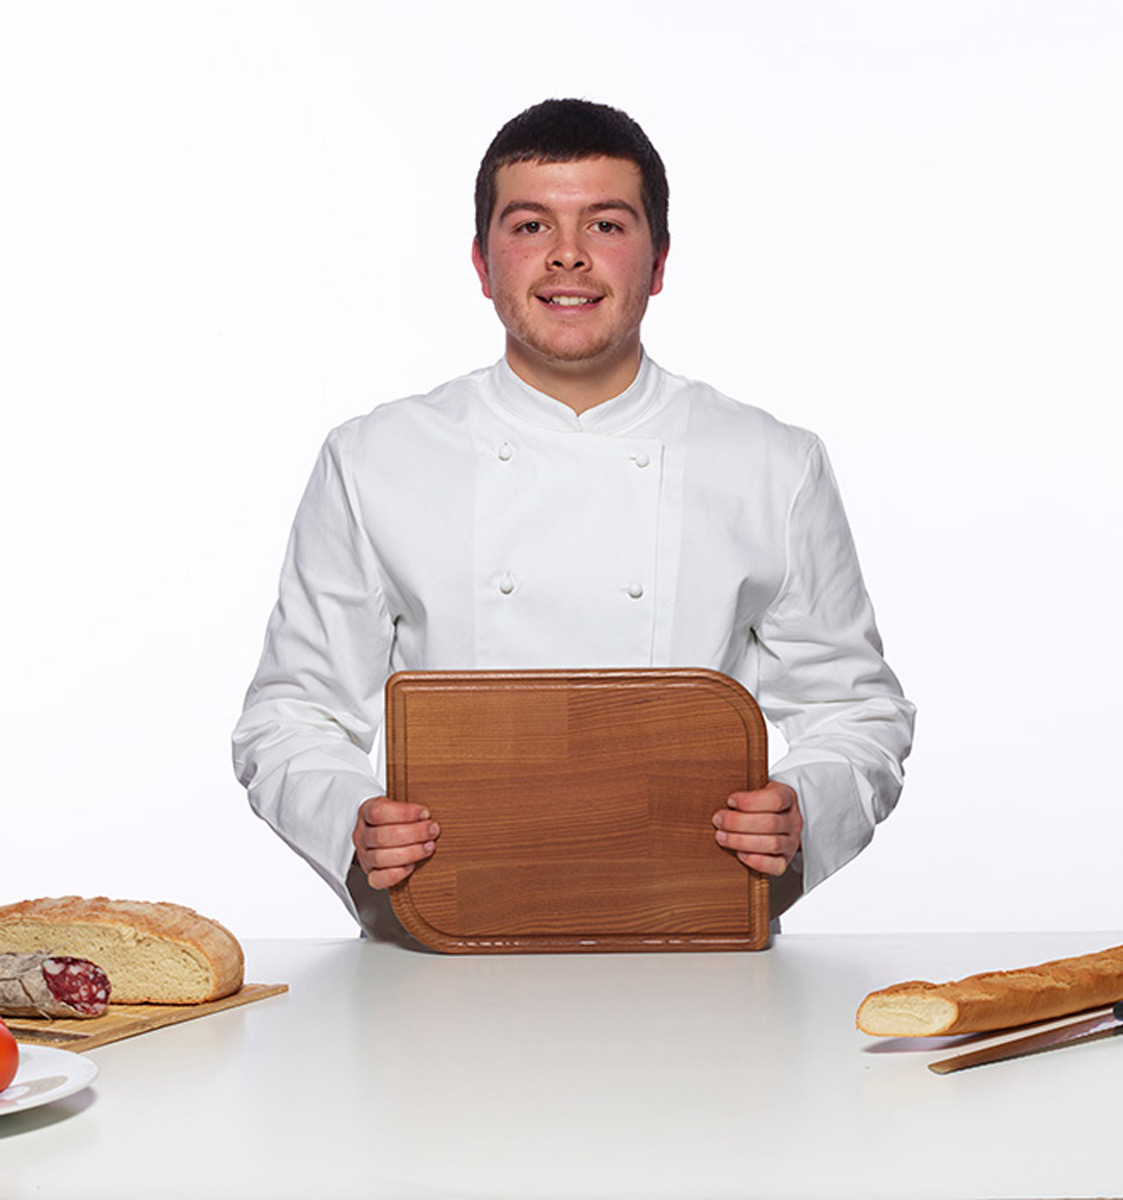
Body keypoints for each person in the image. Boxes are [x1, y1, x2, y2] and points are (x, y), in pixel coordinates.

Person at [232, 99, 916, 945]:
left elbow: (856, 710)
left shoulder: (772, 463)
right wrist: (352, 820)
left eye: (606, 224)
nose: (568, 255)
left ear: (658, 262)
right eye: (530, 226)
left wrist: (803, 806)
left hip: (695, 953)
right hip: (438, 955)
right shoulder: (373, 459)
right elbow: (292, 713)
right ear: (482, 264)